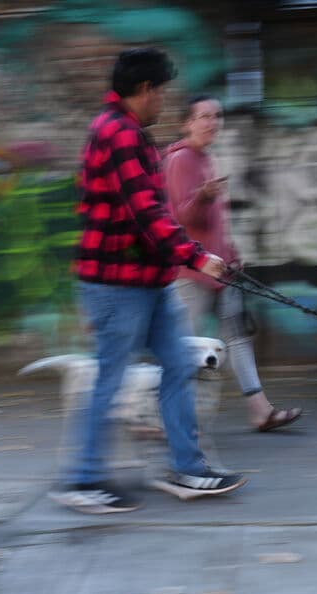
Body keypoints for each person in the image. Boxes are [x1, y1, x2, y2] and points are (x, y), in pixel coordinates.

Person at [50, 48, 247, 515]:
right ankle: (82, 480)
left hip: (148, 280)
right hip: (115, 283)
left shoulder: (128, 132)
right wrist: (199, 259)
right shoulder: (116, 134)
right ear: (144, 90)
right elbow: (149, 216)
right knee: (110, 379)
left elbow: (150, 217)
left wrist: (189, 260)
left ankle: (187, 468)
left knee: (178, 366)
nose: (164, 100)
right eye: (161, 91)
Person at [164, 95, 302, 432]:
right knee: (184, 349)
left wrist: (233, 255)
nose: (212, 122)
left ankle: (260, 410)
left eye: (217, 116)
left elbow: (215, 224)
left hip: (222, 271)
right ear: (187, 123)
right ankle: (165, 418)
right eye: (204, 117)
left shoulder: (206, 160)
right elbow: (180, 216)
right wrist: (204, 196)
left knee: (238, 339)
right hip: (191, 273)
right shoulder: (181, 159)